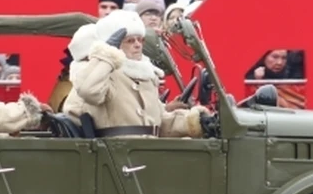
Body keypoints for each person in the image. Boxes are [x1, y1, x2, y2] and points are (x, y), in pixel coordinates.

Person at [69, 10, 211, 137]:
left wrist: (194, 121)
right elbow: (88, 90)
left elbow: (159, 122)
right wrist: (107, 55)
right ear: (115, 45)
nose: (138, 45)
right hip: (116, 156)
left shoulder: (145, 74)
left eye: (140, 39)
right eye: (130, 40)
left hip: (145, 154)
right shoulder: (104, 75)